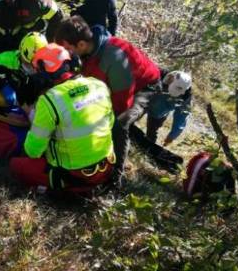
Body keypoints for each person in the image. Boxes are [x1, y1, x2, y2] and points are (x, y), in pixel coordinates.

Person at [53, 16, 160, 185]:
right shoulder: (89, 47)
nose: (67, 53)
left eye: (68, 48)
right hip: (115, 81)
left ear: (81, 45)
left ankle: (115, 175)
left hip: (145, 86)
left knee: (119, 124)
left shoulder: (114, 58)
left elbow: (121, 103)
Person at [9, 43, 116, 195]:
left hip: (73, 176)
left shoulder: (49, 101)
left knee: (16, 165)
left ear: (43, 73)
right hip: (107, 168)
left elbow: (33, 151)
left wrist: (30, 114)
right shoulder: (99, 85)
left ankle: (53, 190)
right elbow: (109, 124)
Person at [0, 32, 59, 106]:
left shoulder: (47, 68)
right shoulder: (5, 59)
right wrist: (2, 84)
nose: (31, 66)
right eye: (27, 62)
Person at [146, 70, 193, 146]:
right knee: (131, 118)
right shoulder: (158, 75)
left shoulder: (186, 96)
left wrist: (172, 136)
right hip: (144, 102)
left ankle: (148, 146)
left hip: (158, 114)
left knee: (152, 131)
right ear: (170, 80)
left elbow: (181, 116)